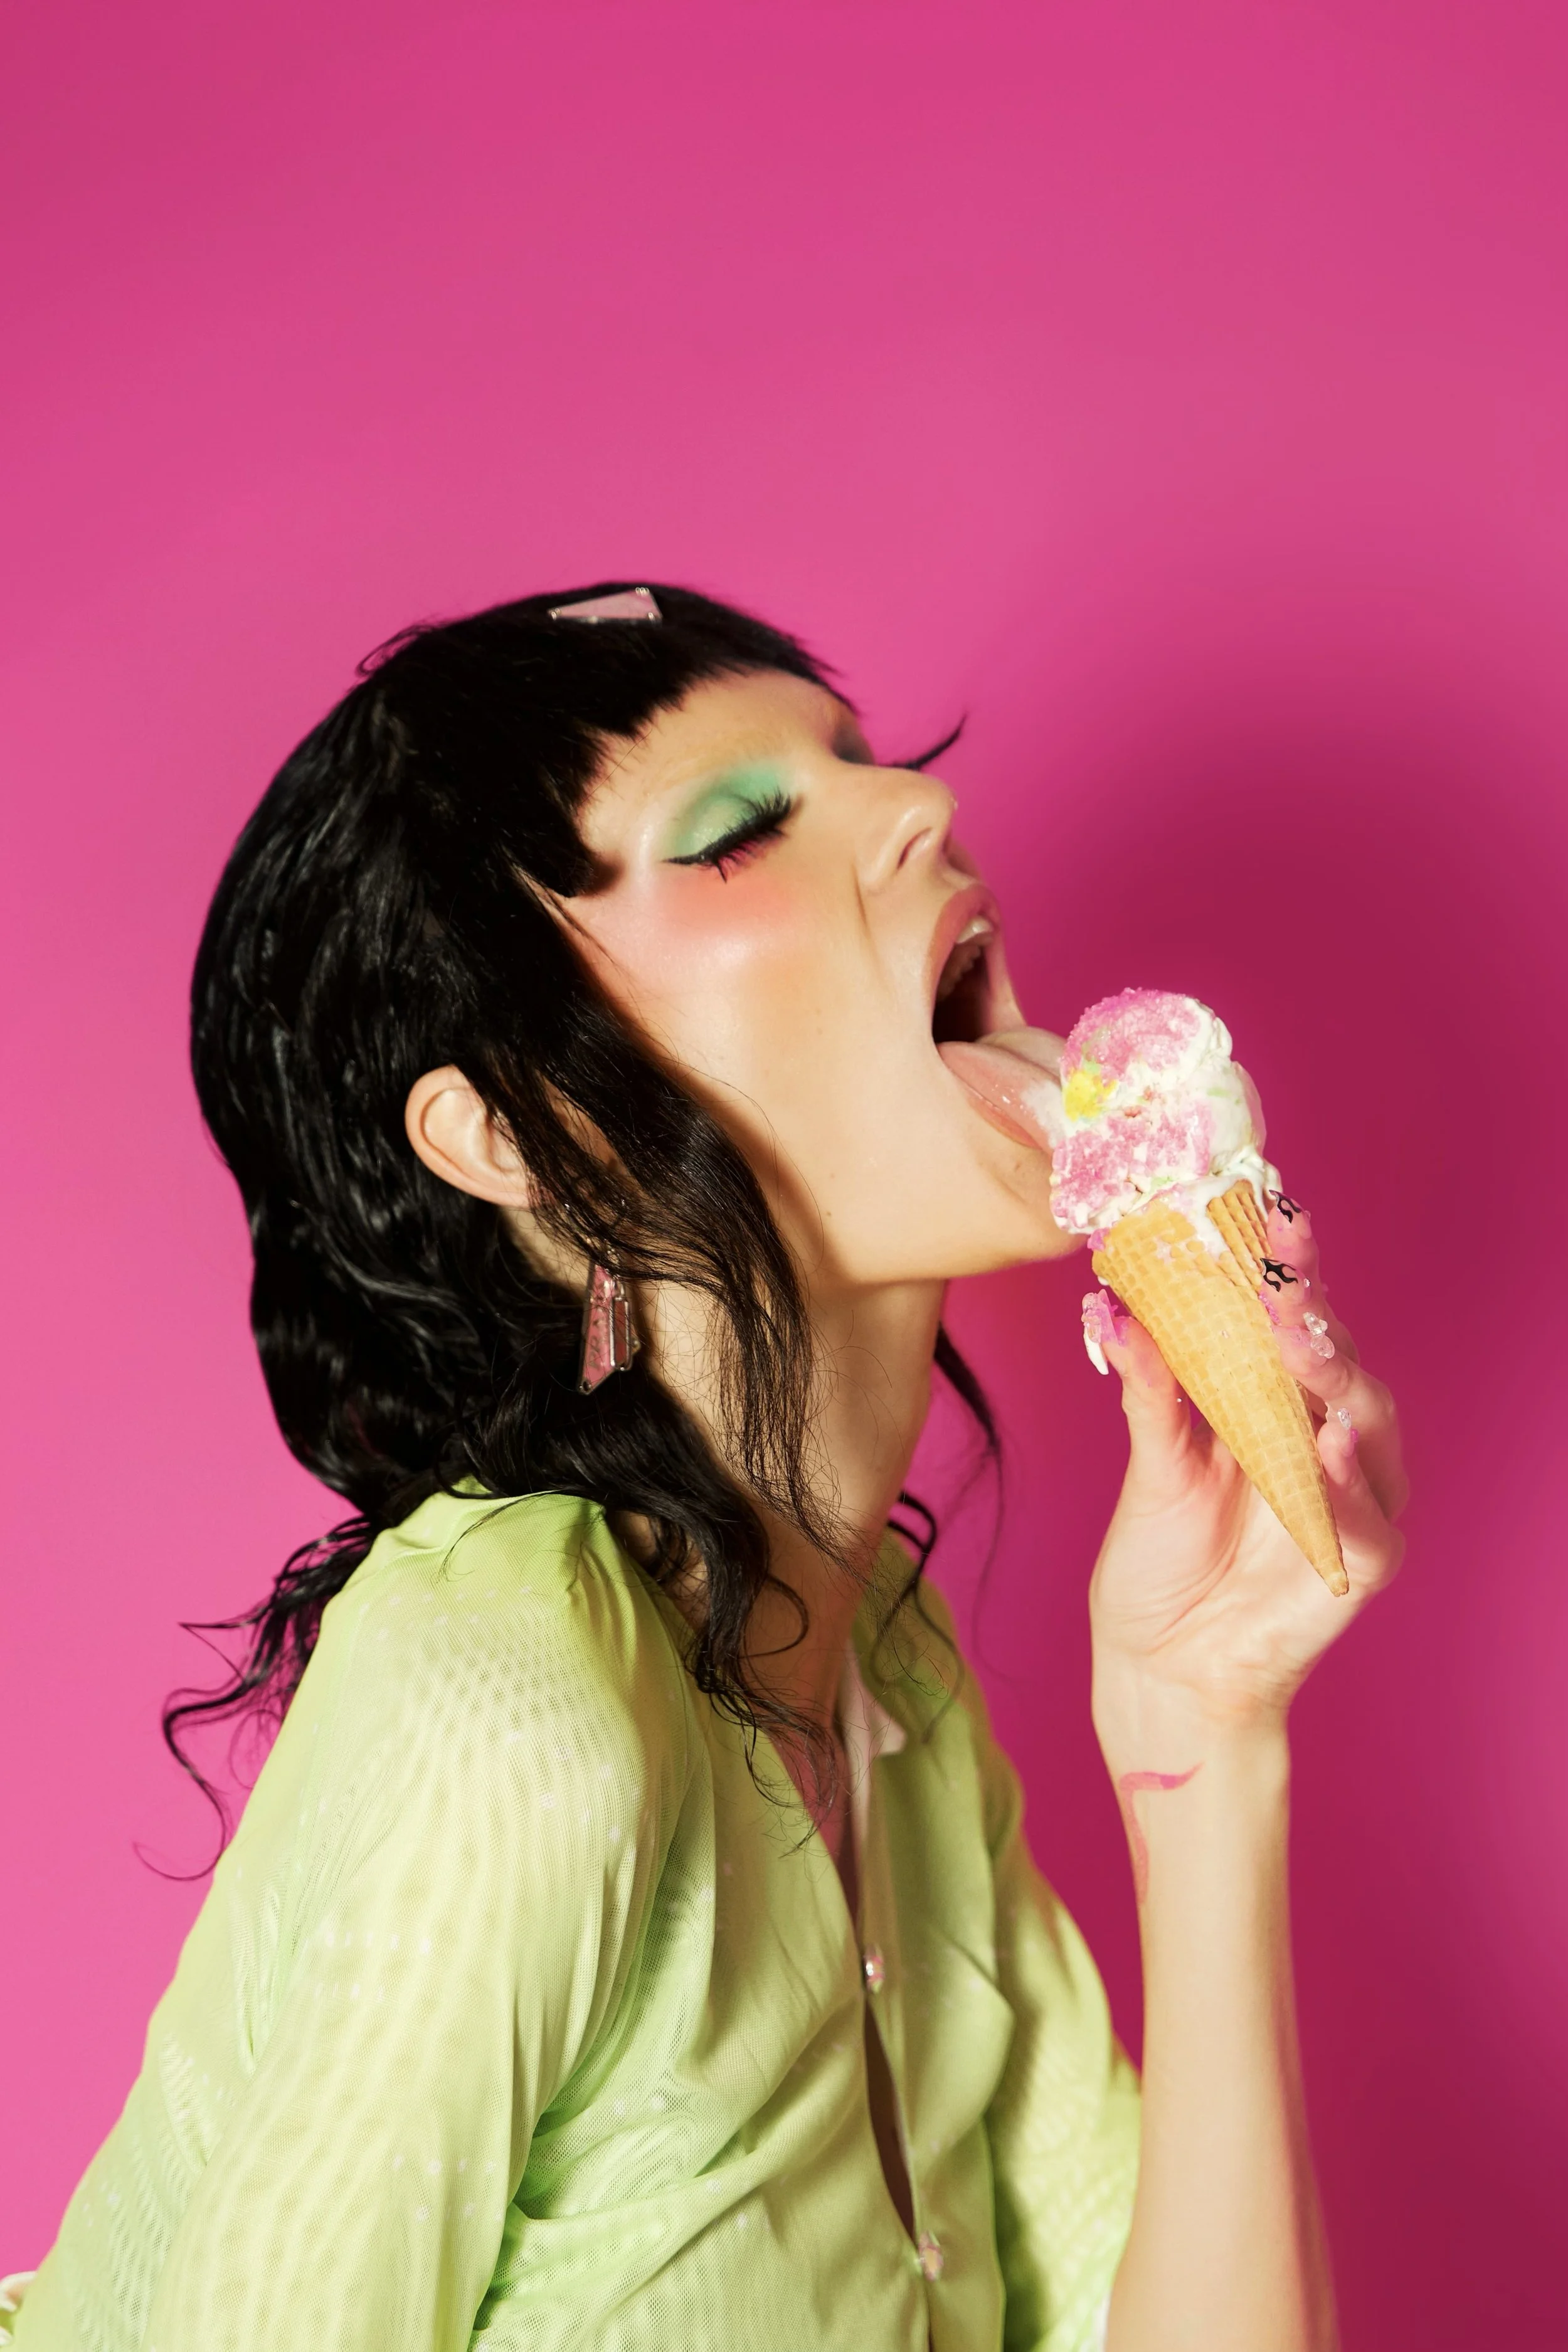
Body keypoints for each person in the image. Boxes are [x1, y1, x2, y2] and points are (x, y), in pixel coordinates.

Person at [3, 583, 1406, 2351]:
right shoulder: (509, 1693)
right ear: (517, 1125)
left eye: (863, 763)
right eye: (740, 834)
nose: (917, 809)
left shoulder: (884, 1682)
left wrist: (1207, 1736)